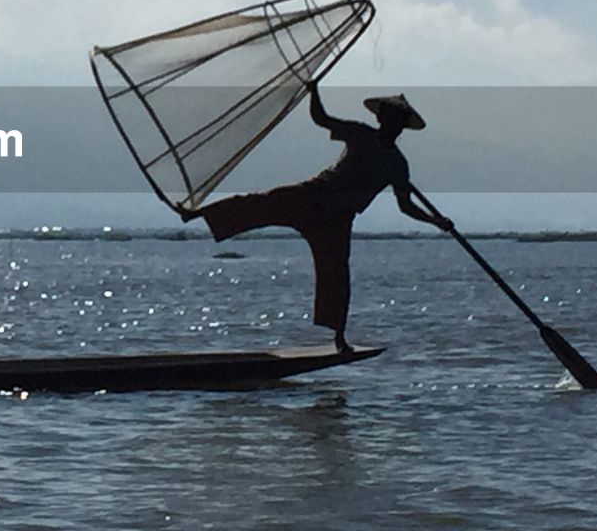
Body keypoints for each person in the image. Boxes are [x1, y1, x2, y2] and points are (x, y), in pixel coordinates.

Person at [180, 83, 451, 354]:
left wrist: (435, 221)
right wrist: (314, 92)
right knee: (261, 203)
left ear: (402, 125)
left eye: (397, 119)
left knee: (336, 274)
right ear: (381, 118)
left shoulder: (397, 164)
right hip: (315, 194)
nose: (391, 122)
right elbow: (322, 119)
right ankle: (198, 214)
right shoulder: (360, 133)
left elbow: (406, 206)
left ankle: (339, 338)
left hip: (339, 217)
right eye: (388, 116)